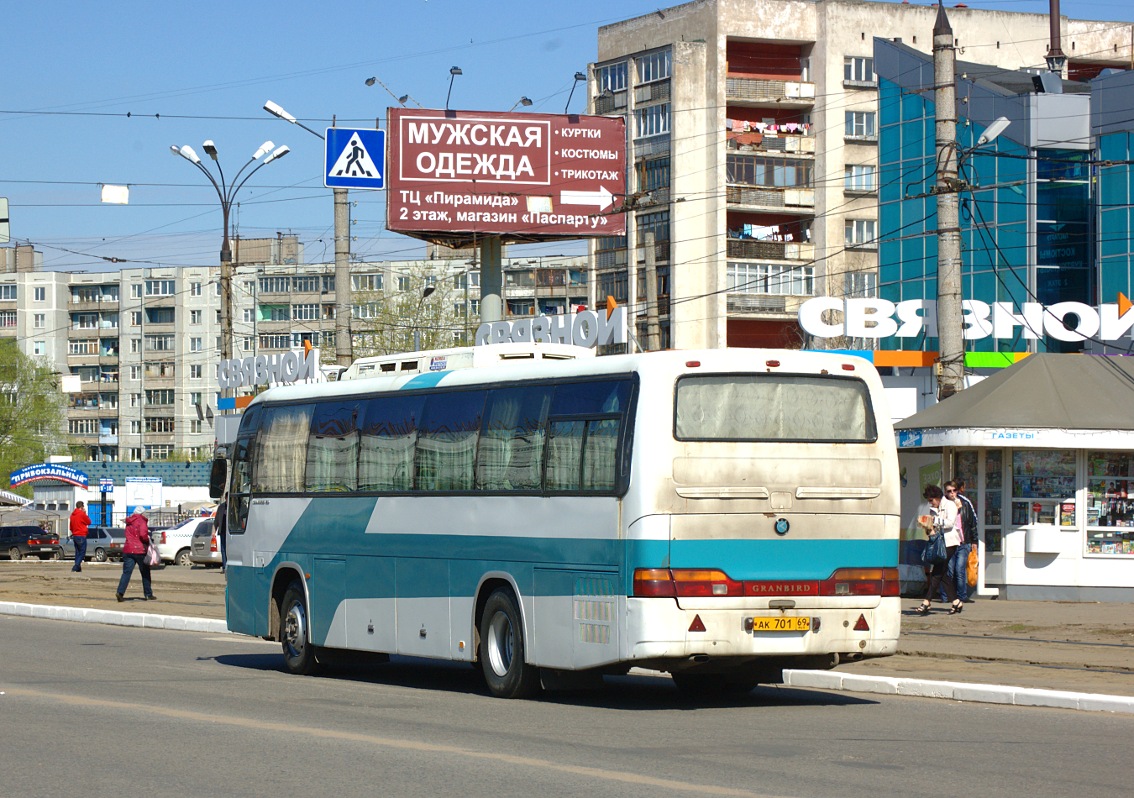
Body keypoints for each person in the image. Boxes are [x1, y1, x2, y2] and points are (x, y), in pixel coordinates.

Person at [915, 484, 963, 615]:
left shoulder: (950, 505)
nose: (930, 503)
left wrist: (934, 520)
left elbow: (950, 523)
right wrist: (927, 526)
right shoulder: (933, 509)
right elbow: (934, 527)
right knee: (942, 573)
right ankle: (956, 601)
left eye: (931, 500)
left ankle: (926, 602)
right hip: (939, 543)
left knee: (937, 571)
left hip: (950, 542)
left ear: (937, 497)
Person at [943, 479, 978, 604]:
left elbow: (972, 522)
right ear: (945, 492)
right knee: (949, 569)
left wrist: (974, 540)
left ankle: (962, 595)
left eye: (954, 490)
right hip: (949, 541)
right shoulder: (943, 504)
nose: (952, 493)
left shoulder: (965, 503)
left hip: (963, 542)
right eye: (949, 491)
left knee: (960, 569)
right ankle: (947, 596)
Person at [117, 510, 155, 602]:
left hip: (128, 549)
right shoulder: (141, 521)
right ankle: (148, 594)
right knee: (145, 573)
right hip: (140, 550)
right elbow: (143, 535)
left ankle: (120, 592)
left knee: (126, 573)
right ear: (142, 513)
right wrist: (147, 541)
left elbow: (129, 535)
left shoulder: (129, 521)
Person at [68, 501, 91, 573]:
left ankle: (78, 567)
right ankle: (76, 566)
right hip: (81, 535)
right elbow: (89, 522)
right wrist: (84, 513)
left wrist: (74, 532)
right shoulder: (81, 514)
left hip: (75, 535)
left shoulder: (72, 515)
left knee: (77, 552)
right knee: (82, 552)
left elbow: (71, 527)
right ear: (81, 507)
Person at [213, 495, 228, 572]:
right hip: (223, 531)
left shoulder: (235, 506)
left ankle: (229, 566)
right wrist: (214, 530)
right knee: (223, 549)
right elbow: (216, 520)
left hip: (232, 532)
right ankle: (225, 567)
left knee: (229, 549)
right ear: (225, 498)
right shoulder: (221, 507)